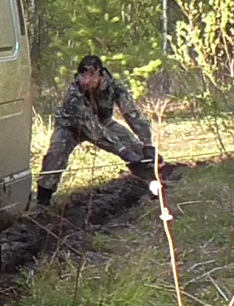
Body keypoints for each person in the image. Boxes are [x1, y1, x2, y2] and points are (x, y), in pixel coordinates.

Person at [36, 54, 163, 207]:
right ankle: (42, 202)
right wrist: (122, 151)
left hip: (104, 122)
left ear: (101, 74)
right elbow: (93, 130)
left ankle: (153, 184)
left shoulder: (114, 86)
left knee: (135, 148)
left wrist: (147, 143)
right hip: (71, 126)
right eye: (83, 75)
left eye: (91, 75)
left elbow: (131, 113)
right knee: (55, 154)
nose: (86, 80)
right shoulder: (74, 95)